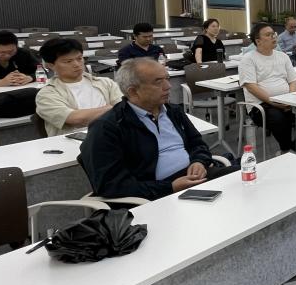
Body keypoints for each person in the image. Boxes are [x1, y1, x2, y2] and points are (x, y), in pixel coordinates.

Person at [80, 58, 233, 200]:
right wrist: (170, 187)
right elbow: (111, 185)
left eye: (167, 78)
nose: (168, 86)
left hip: (195, 177)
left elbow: (198, 144)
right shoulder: (108, 127)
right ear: (133, 91)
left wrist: (199, 161)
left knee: (241, 179)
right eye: (158, 82)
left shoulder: (173, 111)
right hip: (156, 194)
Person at [239, 23, 296, 154]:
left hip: (286, 101)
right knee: (278, 117)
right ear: (258, 41)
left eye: (273, 34)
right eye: (268, 35)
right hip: (261, 105)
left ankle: (295, 149)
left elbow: (293, 80)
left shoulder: (283, 56)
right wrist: (274, 102)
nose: (273, 37)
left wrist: (290, 99)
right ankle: (285, 149)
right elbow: (251, 87)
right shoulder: (248, 59)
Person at [36, 38, 123, 136]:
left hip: (112, 135)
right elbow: (76, 119)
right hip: (73, 140)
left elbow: (125, 110)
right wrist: (112, 108)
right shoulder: (47, 94)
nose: (77, 64)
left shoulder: (106, 83)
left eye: (79, 58)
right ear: (51, 65)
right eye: (68, 61)